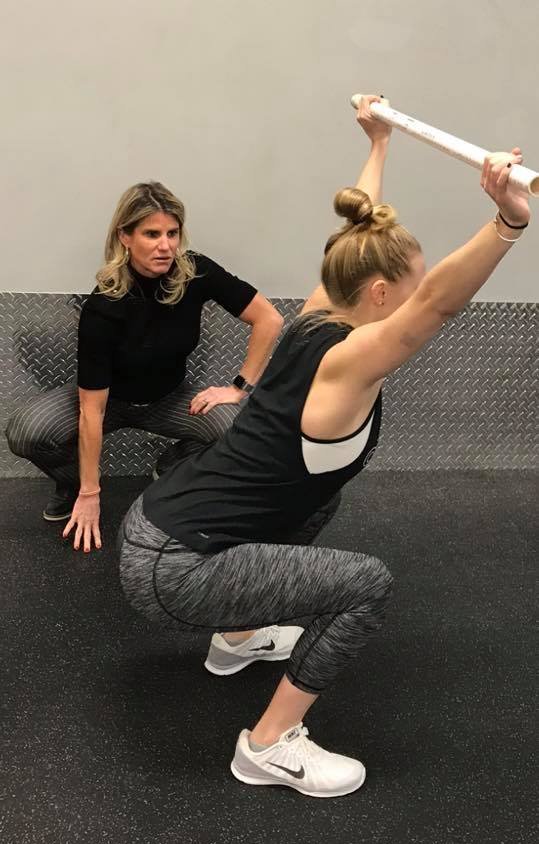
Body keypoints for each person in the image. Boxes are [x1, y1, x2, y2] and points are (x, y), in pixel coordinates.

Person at [117, 96, 530, 798]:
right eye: (405, 288)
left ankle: (238, 636)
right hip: (174, 568)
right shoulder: (347, 362)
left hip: (163, 524)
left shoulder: (315, 315)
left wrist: (378, 143)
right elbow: (436, 304)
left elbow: (355, 230)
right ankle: (268, 745)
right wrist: (507, 222)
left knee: (318, 497)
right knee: (366, 584)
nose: (413, 297)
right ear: (380, 295)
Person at [5, 181, 283, 552]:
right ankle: (71, 484)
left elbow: (269, 319)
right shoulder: (104, 306)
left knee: (236, 428)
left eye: (172, 233)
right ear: (125, 236)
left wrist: (238, 388)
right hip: (107, 402)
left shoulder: (196, 272)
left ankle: (171, 465)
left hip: (168, 400)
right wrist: (90, 493)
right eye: (152, 234)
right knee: (26, 431)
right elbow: (91, 410)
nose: (165, 246)